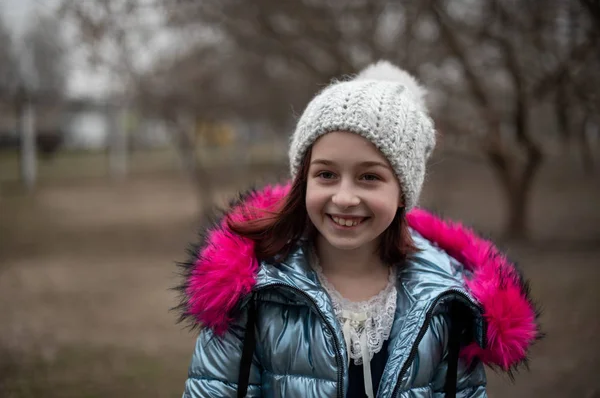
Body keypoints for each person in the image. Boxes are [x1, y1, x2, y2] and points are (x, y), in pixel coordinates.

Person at [175, 61, 541, 398]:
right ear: (303, 181)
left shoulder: (446, 302)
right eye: (326, 174)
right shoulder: (253, 293)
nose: (345, 197)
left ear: (403, 193)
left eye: (369, 177)